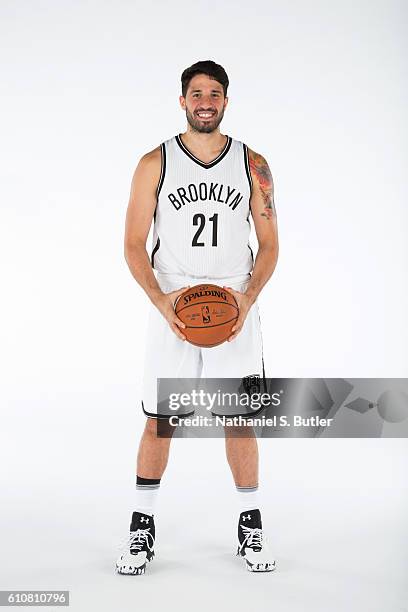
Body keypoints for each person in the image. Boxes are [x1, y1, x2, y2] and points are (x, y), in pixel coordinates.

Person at [116, 60, 279, 575]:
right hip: (173, 304)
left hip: (233, 303)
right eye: (195, 93)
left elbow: (270, 244)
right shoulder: (153, 162)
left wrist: (248, 299)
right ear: (182, 101)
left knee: (239, 420)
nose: (205, 100)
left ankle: (249, 526)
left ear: (226, 100)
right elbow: (132, 244)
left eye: (214, 92)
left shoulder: (253, 164)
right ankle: (142, 529)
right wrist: (161, 301)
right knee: (160, 420)